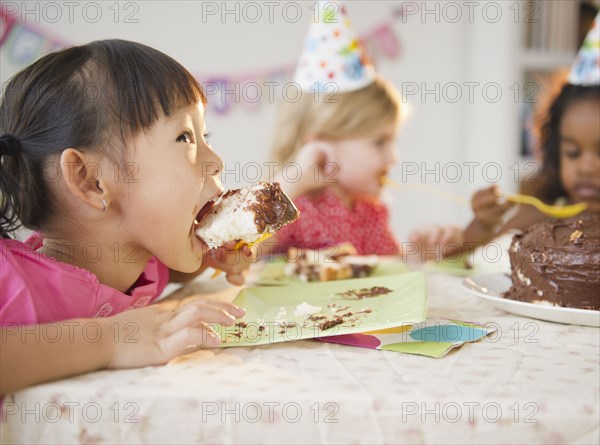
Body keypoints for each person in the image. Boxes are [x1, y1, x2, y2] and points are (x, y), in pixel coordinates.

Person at [0, 39, 253, 394]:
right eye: (184, 137)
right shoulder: (11, 282)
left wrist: (208, 256)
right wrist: (112, 340)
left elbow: (166, 270)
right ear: (92, 181)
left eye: (203, 135)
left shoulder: (139, 261)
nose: (216, 161)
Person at [269, 1, 402, 255]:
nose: (393, 157)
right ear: (321, 146)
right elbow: (242, 246)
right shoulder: (295, 206)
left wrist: (428, 250)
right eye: (380, 142)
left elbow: (394, 271)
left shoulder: (370, 211)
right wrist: (295, 179)